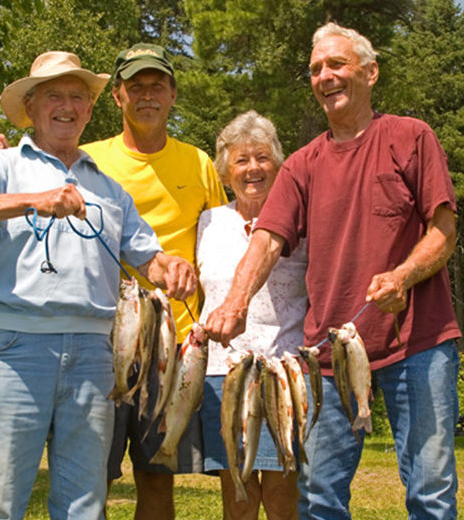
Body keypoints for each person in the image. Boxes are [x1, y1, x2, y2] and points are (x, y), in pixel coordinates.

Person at [205, 23, 461, 520]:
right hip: (327, 356)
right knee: (319, 495)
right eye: (317, 69)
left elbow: (444, 231)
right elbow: (267, 240)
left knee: (429, 490)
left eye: (337, 64)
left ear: (370, 72)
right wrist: (235, 304)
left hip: (419, 344)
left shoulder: (410, 137)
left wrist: (403, 276)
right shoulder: (301, 165)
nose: (325, 76)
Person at [0, 51, 197, 520]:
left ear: (89, 108)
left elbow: (148, 258)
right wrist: (32, 201)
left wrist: (172, 266)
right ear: (32, 108)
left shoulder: (109, 188)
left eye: (77, 96)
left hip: (95, 355)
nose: (67, 105)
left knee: (84, 502)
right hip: (12, 348)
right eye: (54, 95)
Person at [196, 110, 307, 520]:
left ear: (279, 166)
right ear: (226, 173)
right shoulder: (208, 222)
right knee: (237, 495)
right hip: (221, 373)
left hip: (284, 369)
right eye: (241, 160)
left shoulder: (301, 223)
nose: (252, 168)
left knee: (281, 495)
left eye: (262, 158)